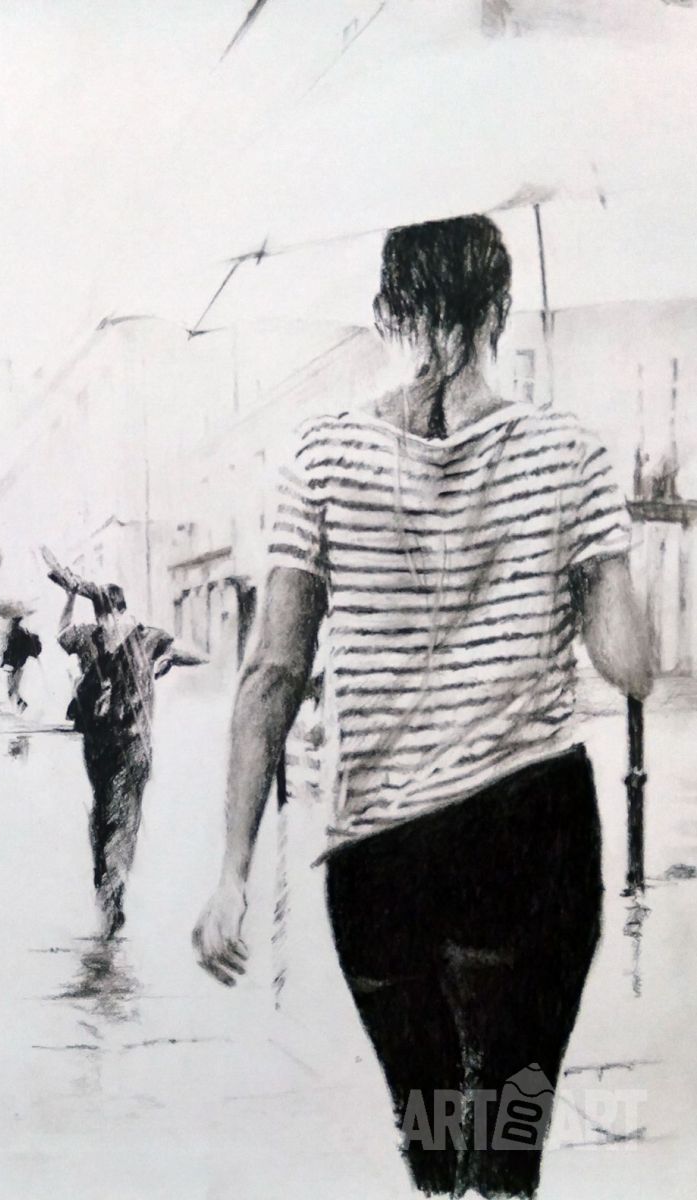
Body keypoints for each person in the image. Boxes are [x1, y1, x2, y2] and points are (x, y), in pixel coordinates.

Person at [192, 215, 652, 1198]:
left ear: (389, 310)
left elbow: (270, 675)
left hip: (379, 855)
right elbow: (628, 663)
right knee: (507, 1141)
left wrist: (230, 870)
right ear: (498, 307)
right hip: (529, 839)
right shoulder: (569, 452)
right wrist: (594, 561)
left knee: (434, 1138)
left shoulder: (320, 458)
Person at [45, 551, 203, 936]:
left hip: (109, 745)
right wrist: (165, 661)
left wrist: (69, 594)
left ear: (105, 612)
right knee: (118, 815)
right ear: (120, 609)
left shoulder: (100, 637)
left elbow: (62, 632)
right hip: (124, 745)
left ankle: (108, 886)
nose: (108, 623)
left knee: (109, 811)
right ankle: (111, 887)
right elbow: (198, 654)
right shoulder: (142, 638)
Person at [1, 615, 41, 712]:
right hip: (18, 664)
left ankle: (19, 705)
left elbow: (10, 650)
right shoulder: (22, 633)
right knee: (13, 687)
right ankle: (19, 704)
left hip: (12, 664)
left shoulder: (14, 634)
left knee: (12, 688)